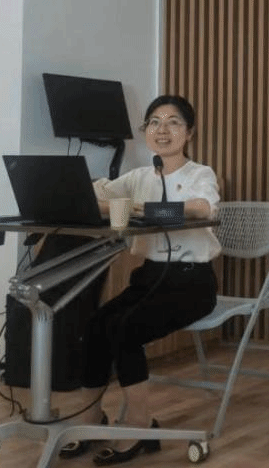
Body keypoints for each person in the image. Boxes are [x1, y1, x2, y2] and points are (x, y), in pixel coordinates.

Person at [59, 95, 220, 465]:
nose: (162, 130)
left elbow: (201, 209)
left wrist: (142, 209)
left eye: (173, 122)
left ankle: (138, 424)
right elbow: (91, 196)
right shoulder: (138, 177)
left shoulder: (200, 174)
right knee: (97, 324)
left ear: (190, 132)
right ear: (146, 130)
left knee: (125, 329)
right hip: (149, 279)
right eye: (154, 122)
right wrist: (119, 205)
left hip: (191, 284)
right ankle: (90, 420)